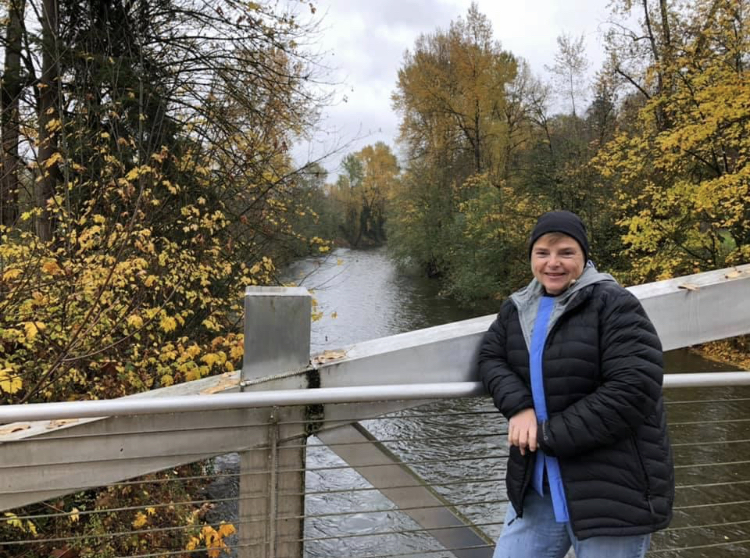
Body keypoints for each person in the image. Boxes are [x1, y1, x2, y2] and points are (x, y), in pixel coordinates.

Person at [477, 210, 674, 558]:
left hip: (611, 492)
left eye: (566, 253)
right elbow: (491, 358)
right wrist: (519, 407)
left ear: (584, 256)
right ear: (531, 258)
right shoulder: (519, 307)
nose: (553, 263)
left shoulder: (613, 304)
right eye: (543, 253)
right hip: (539, 487)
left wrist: (548, 434)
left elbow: (633, 388)